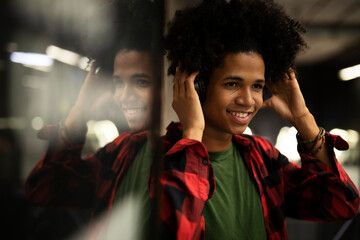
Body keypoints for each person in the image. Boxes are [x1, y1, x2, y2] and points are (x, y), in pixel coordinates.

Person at [161, 0, 360, 239]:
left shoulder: (262, 157)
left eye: (257, 86)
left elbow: (341, 204)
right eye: (232, 84)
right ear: (197, 86)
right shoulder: (157, 158)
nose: (248, 100)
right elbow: (176, 231)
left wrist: (302, 117)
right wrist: (192, 132)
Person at [25, 0, 159, 239]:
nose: (124, 96)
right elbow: (44, 190)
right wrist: (79, 111)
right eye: (118, 83)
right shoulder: (122, 152)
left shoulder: (190, 158)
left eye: (141, 82)